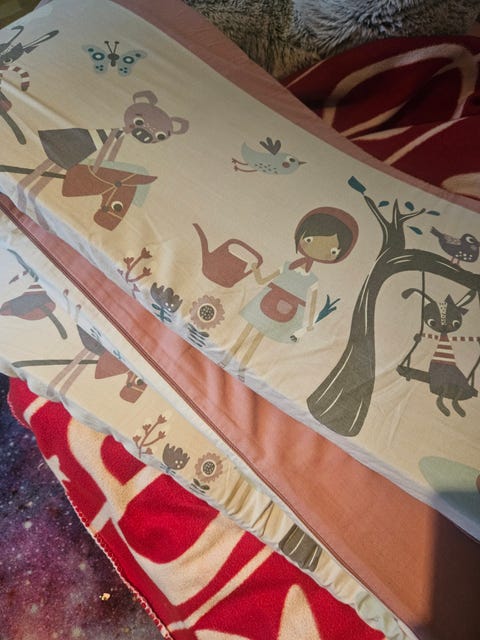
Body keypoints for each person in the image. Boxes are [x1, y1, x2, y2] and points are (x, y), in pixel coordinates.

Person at [220, 206, 358, 378]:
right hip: (268, 298)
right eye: (310, 240)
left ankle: (240, 369)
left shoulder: (311, 279)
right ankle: (227, 359)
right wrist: (255, 271)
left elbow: (312, 303)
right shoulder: (287, 266)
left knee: (257, 337)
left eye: (333, 251)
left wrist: (309, 323)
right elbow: (263, 281)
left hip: (290, 309)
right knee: (249, 332)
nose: (319, 250)